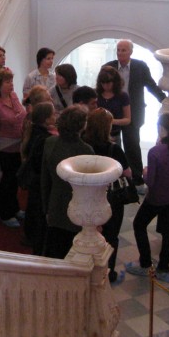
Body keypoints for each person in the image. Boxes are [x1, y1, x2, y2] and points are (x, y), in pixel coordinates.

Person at [125, 113, 169, 283]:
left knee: (139, 224)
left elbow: (151, 182)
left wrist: (145, 173)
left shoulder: (155, 152)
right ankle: (163, 269)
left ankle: (145, 262)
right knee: (168, 232)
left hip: (157, 198)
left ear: (161, 129)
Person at [104, 40, 166, 190]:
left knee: (132, 145)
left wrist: (163, 99)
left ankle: (137, 180)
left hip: (133, 113)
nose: (120, 53)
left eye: (123, 50)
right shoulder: (109, 67)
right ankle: (114, 179)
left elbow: (150, 85)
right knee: (112, 145)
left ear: (131, 52)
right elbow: (100, 86)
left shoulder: (140, 66)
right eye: (118, 50)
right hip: (113, 113)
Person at [40, 106, 94, 259]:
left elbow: (45, 180)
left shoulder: (50, 143)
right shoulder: (87, 150)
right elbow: (90, 188)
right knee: (74, 254)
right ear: (82, 126)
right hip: (77, 208)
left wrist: (46, 208)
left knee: (54, 251)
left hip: (55, 203)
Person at [84, 108, 131, 283]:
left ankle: (89, 269)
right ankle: (108, 272)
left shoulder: (84, 145)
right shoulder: (114, 149)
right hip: (110, 198)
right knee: (111, 236)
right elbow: (126, 173)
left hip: (88, 195)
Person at [0, 68, 27, 227]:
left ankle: (14, 208)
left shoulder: (13, 96)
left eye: (11, 81)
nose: (11, 85)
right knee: (6, 182)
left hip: (18, 147)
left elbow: (20, 114)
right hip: (4, 149)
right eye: (7, 82)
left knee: (15, 180)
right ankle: (4, 213)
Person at [20, 101, 56, 255]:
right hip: (38, 179)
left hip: (33, 178)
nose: (55, 117)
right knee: (38, 210)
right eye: (53, 114)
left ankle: (30, 235)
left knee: (32, 207)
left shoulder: (33, 131)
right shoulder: (44, 138)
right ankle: (35, 238)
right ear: (46, 119)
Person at [95, 66, 131, 141]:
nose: (105, 86)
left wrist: (110, 121)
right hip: (96, 134)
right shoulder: (96, 94)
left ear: (115, 81)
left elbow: (127, 119)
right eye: (103, 83)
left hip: (114, 135)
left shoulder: (122, 96)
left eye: (108, 83)